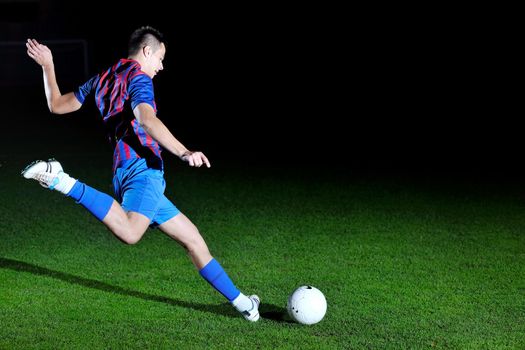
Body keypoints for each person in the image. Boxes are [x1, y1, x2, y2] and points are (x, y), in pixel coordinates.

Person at [22, 26, 260, 322]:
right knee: (132, 231)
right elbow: (147, 120)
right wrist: (185, 151)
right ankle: (62, 181)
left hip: (125, 172)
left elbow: (56, 105)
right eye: (160, 58)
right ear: (146, 51)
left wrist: (48, 64)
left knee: (194, 240)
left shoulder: (105, 77)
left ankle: (244, 304)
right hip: (143, 171)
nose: (161, 66)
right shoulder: (139, 78)